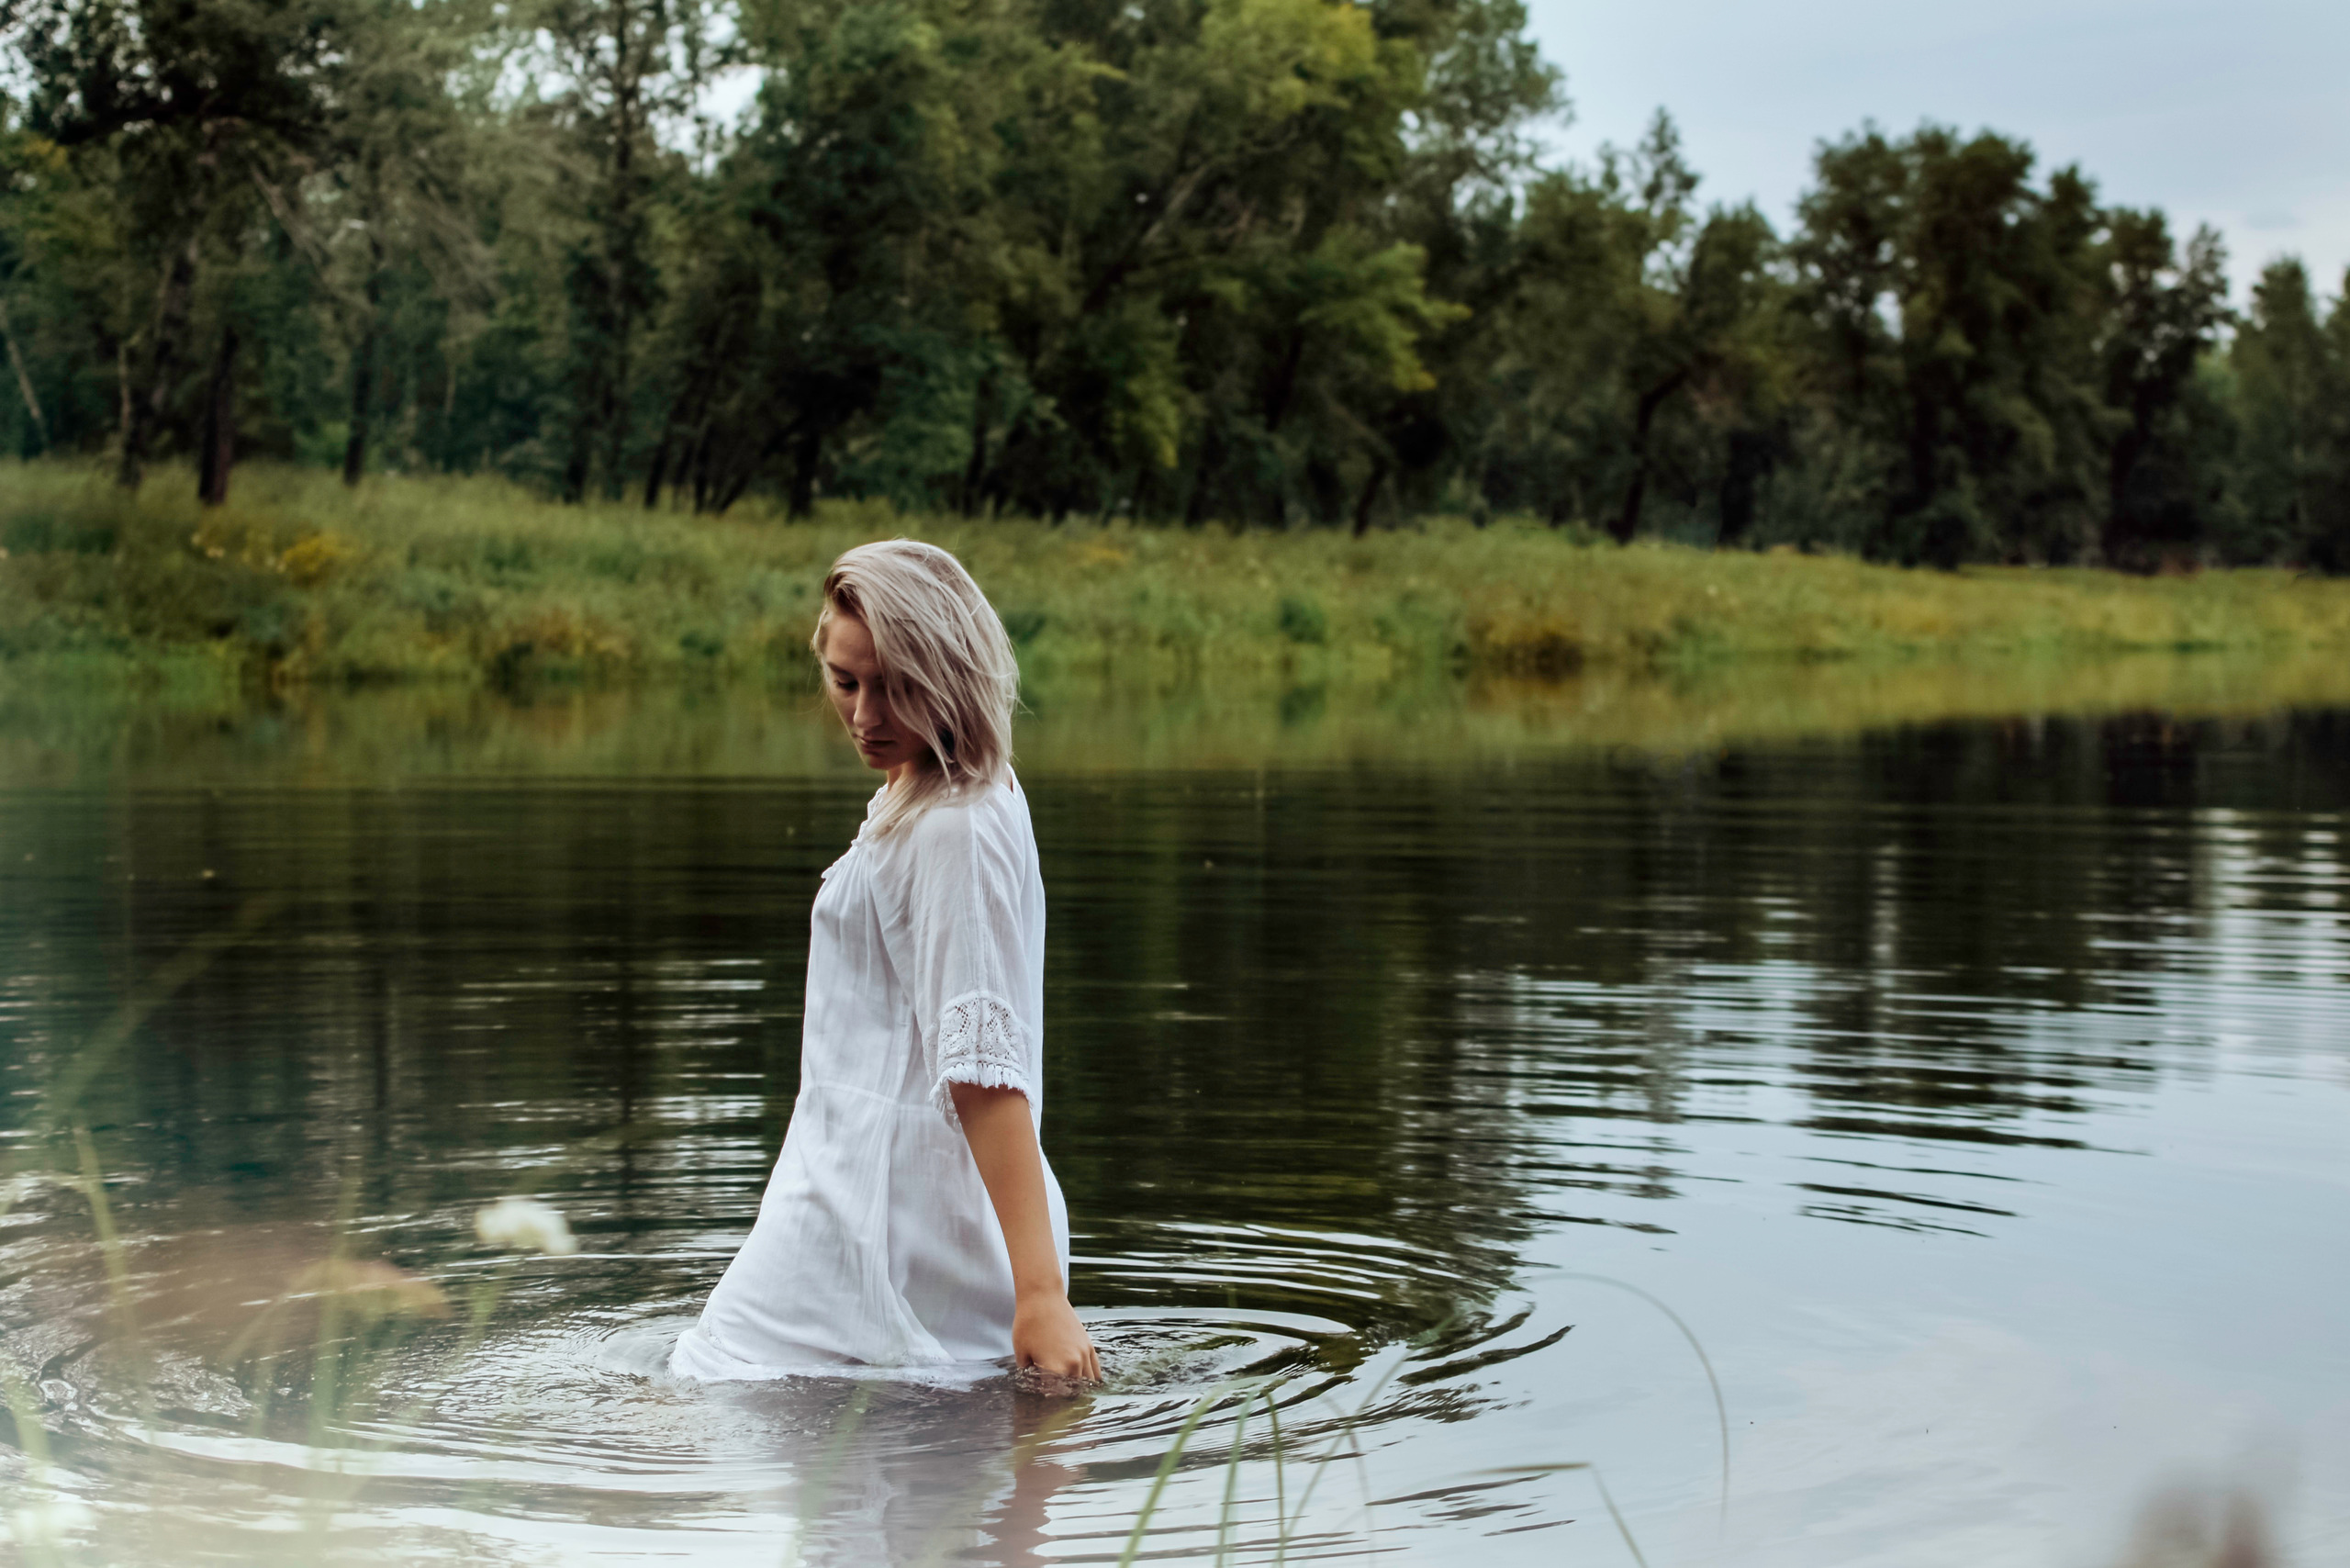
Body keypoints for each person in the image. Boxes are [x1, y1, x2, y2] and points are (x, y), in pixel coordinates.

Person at [669, 540, 1099, 1383]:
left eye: (896, 686)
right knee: (890, 1486)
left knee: (694, 1415)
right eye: (845, 681)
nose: (866, 715)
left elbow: (982, 1066)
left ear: (948, 671)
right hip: (864, 1206)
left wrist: (1041, 1294)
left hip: (879, 1221)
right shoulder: (938, 785)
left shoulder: (955, 826)